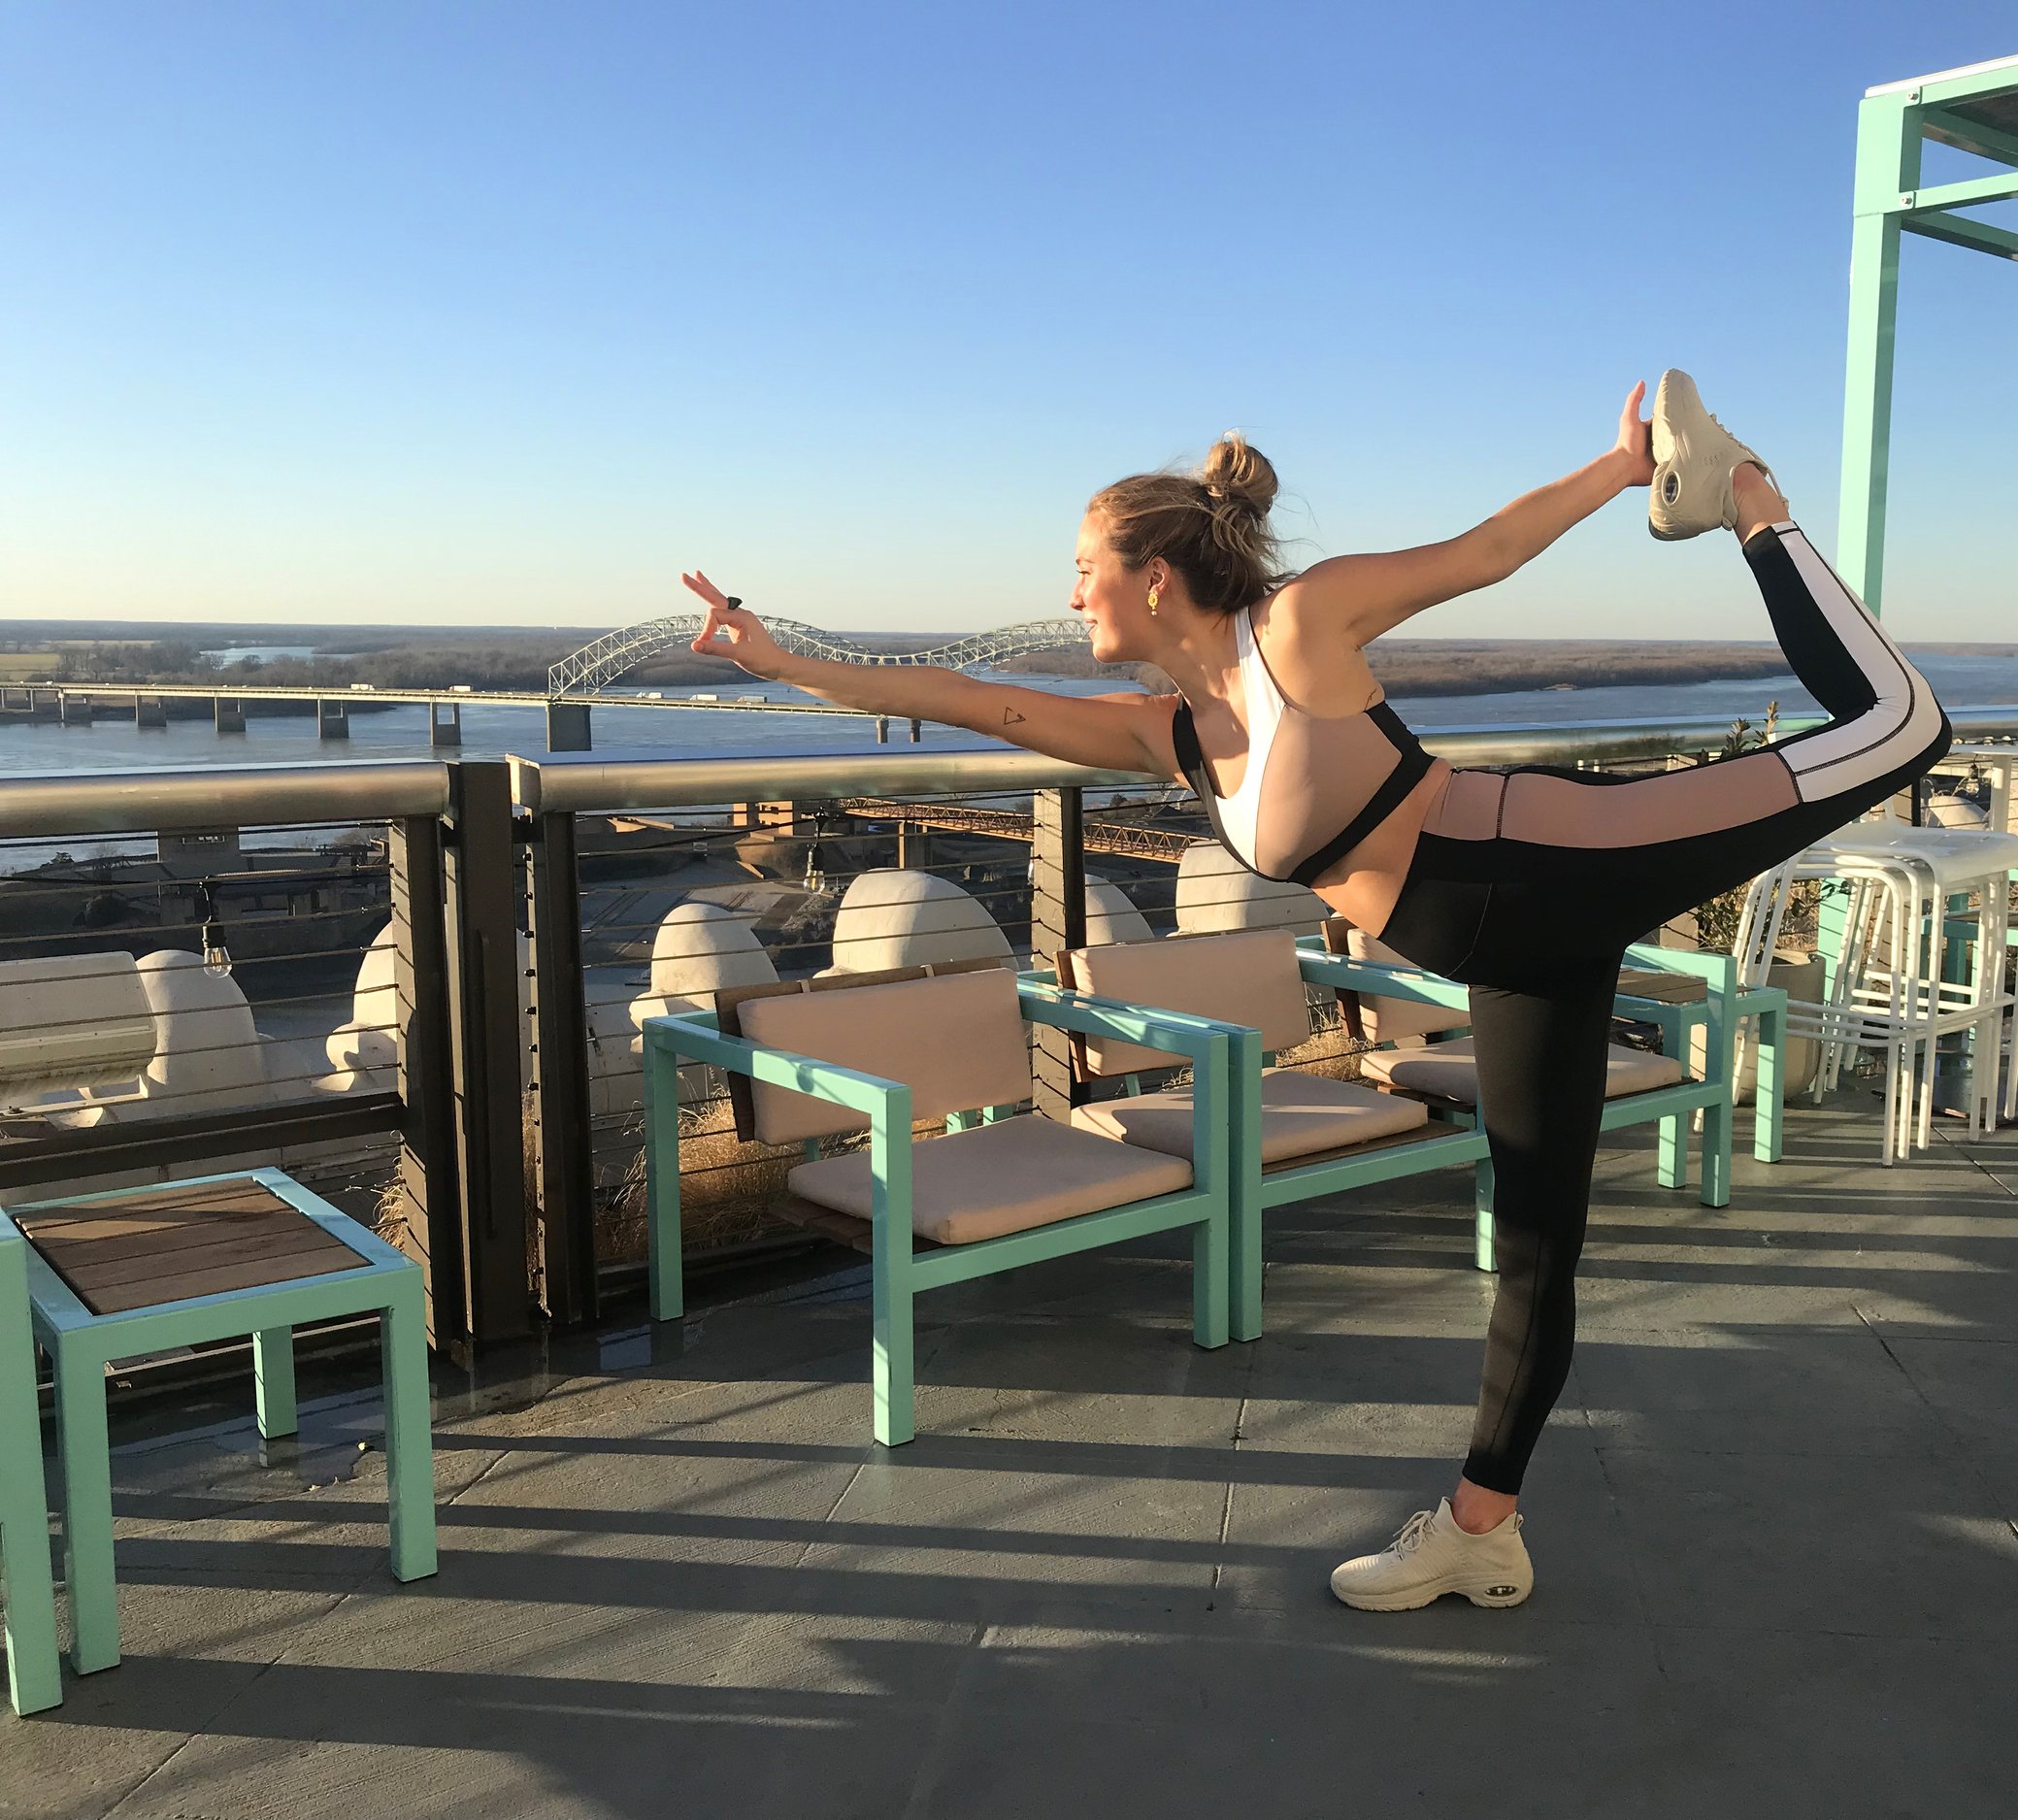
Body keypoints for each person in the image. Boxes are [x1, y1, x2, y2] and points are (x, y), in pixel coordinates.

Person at [685, 372, 1951, 1612]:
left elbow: (1486, 552)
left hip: (1556, 858)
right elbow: (969, 702)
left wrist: (1626, 472)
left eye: (1084, 564)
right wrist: (776, 655)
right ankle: (1480, 1534)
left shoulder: (1297, 630)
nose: (1069, 590)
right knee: (1536, 1252)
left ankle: (1749, 498)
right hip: (1517, 952)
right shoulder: (1166, 732)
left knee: (1898, 725)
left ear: (1155, 576)